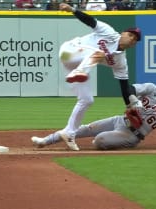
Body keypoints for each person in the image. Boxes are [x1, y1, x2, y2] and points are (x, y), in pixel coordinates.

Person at [35, 2, 141, 151]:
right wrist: (72, 9)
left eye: (135, 40)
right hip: (70, 51)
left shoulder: (121, 62)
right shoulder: (109, 32)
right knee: (99, 53)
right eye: (130, 35)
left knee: (87, 100)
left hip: (76, 66)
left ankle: (69, 133)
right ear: (123, 33)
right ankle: (79, 72)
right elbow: (90, 20)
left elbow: (124, 85)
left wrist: (129, 104)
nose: (132, 39)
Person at [32, 82, 156, 151]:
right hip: (120, 121)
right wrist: (134, 100)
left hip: (131, 135)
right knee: (85, 128)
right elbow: (130, 88)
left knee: (100, 140)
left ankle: (111, 141)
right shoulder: (152, 89)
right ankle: (45, 141)